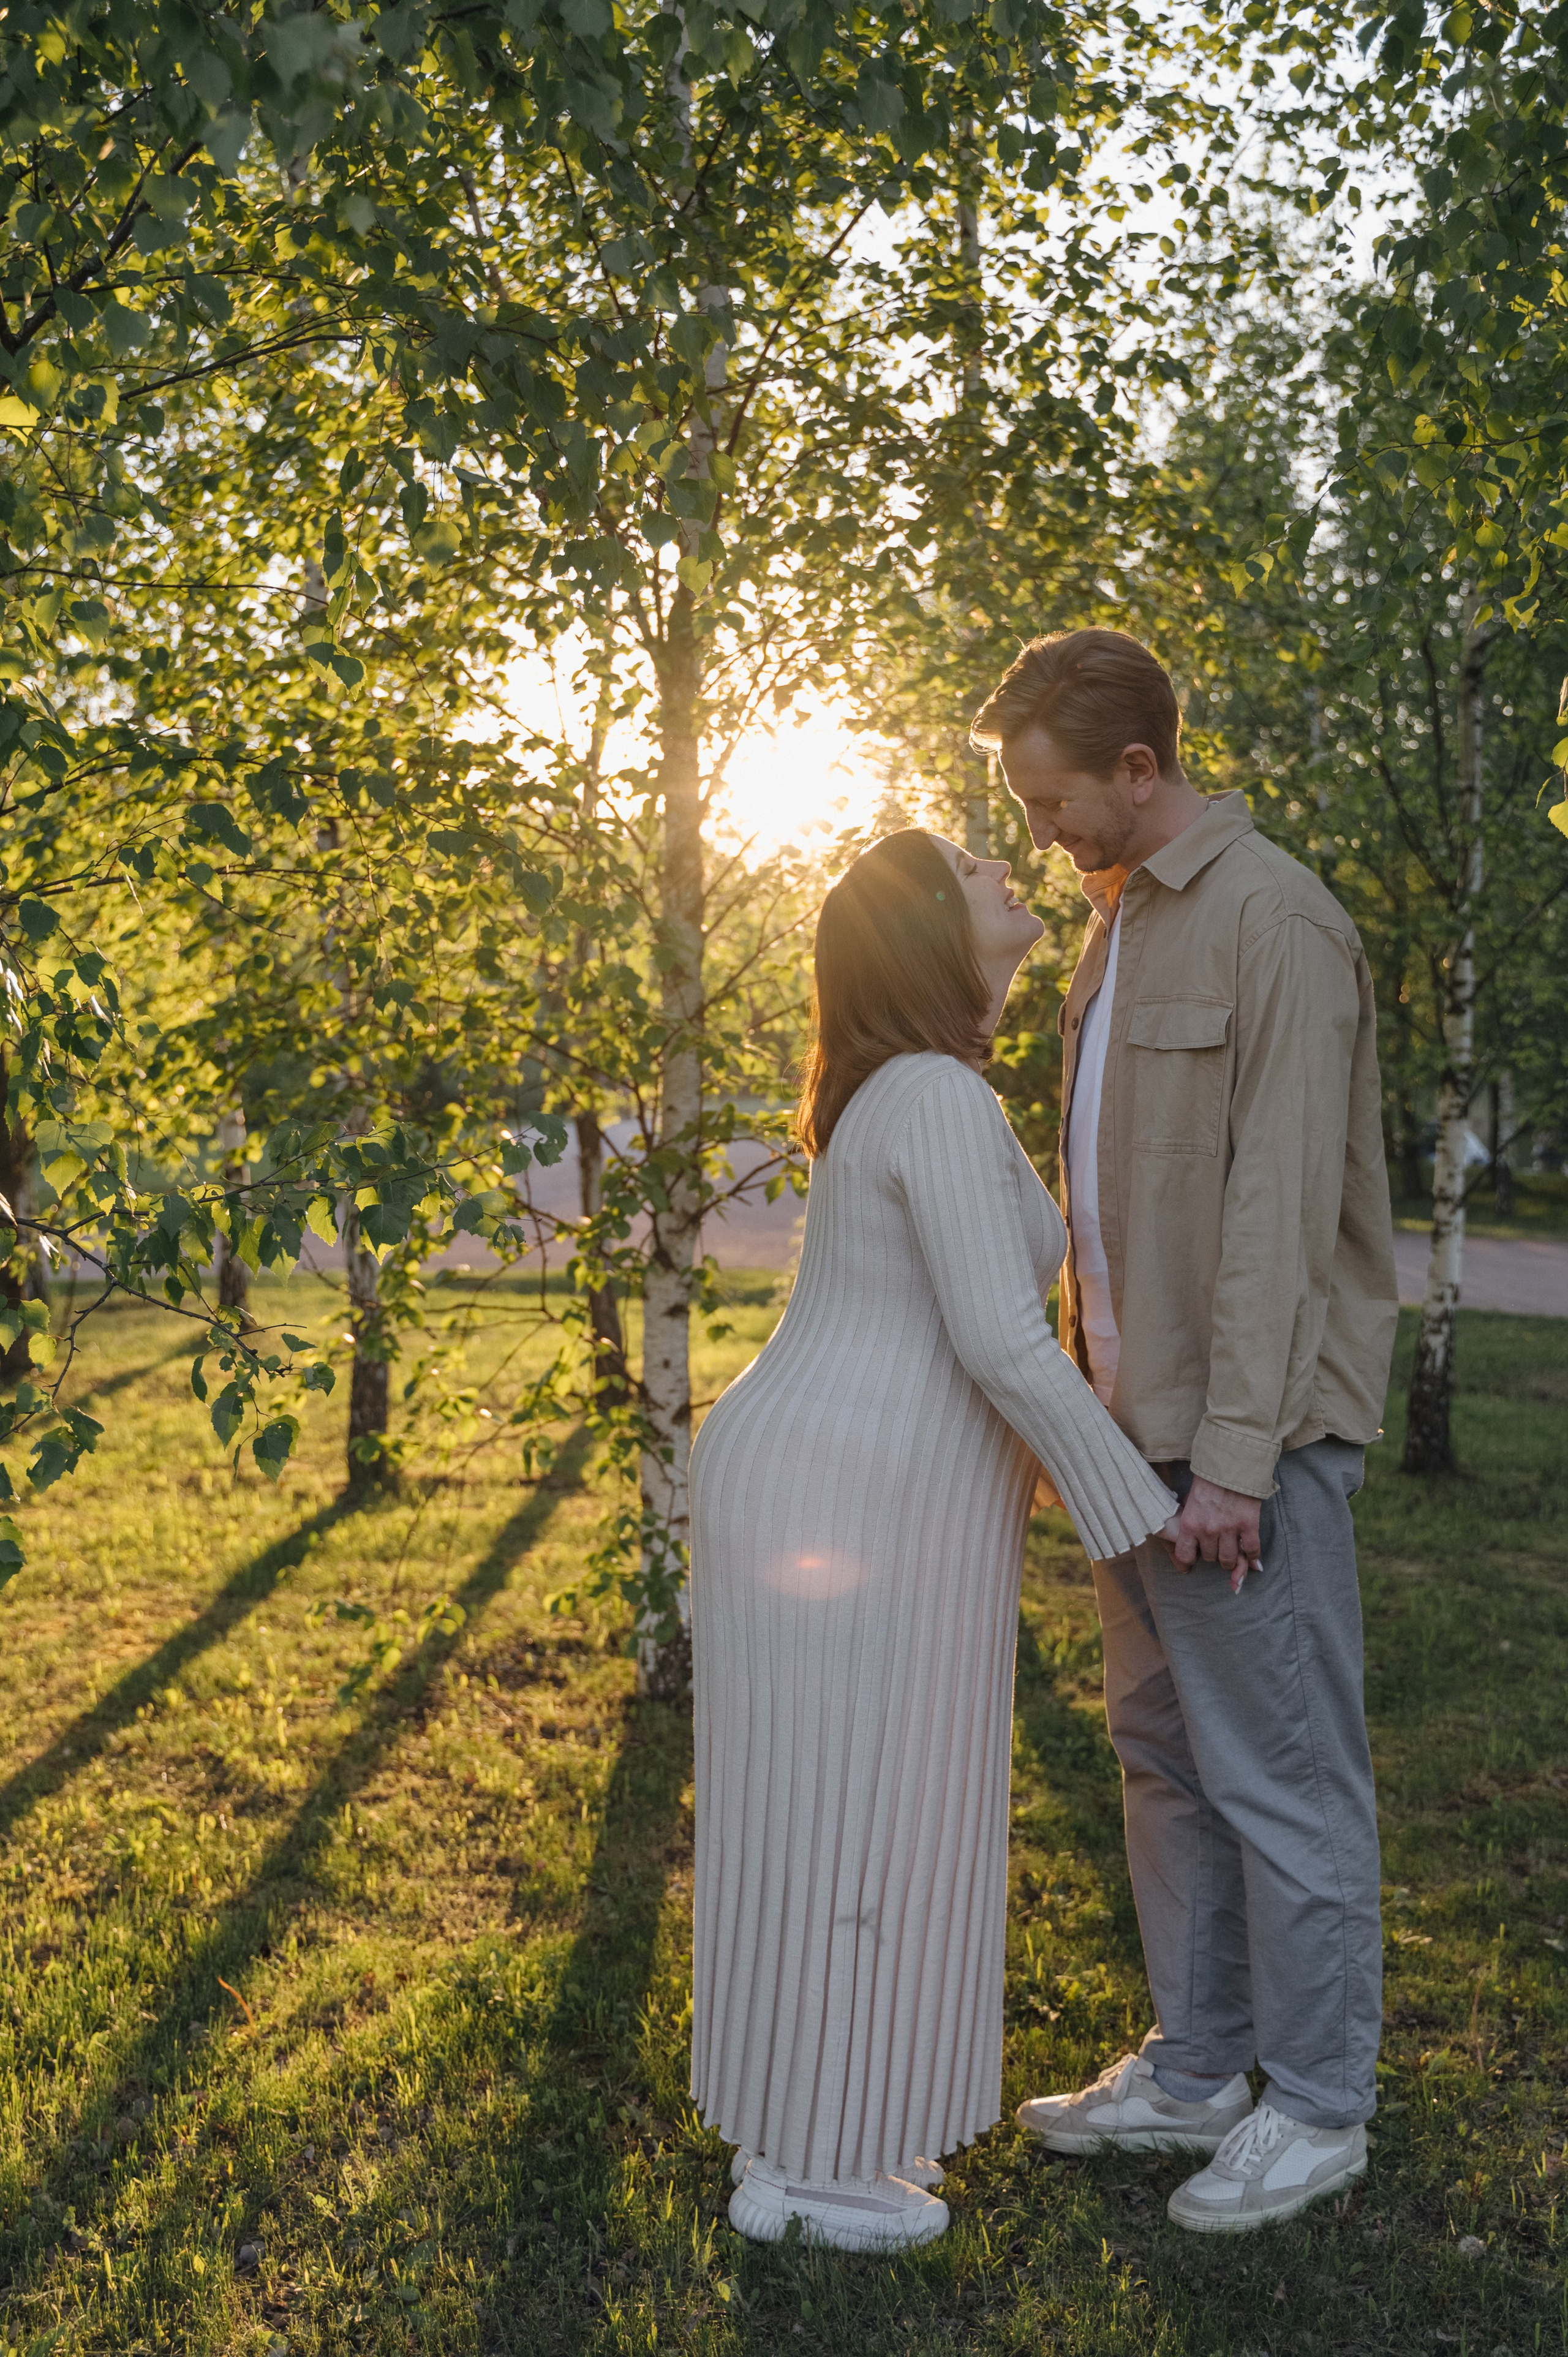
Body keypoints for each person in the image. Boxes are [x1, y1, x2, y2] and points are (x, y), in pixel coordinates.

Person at [688, 828, 1180, 2253]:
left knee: (831, 1812)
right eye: (970, 868)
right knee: (855, 1813)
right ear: (925, 933)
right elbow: (1003, 1344)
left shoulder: (906, 1092)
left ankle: (798, 2146)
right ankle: (817, 2164)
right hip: (842, 1499)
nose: (1003, 868)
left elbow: (973, 1342)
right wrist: (1135, 1517)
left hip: (836, 1484)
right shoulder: (934, 1099)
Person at [972, 628, 1399, 2234]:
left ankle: (1323, 2106)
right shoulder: (1120, 922)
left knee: (1280, 1774)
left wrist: (1233, 1458)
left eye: (1056, 798)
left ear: (1140, 771)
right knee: (1165, 1760)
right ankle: (1203, 2063)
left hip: (1240, 1446)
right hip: (1127, 1431)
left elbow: (1280, 1215)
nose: (1047, 833)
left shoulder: (1275, 920)